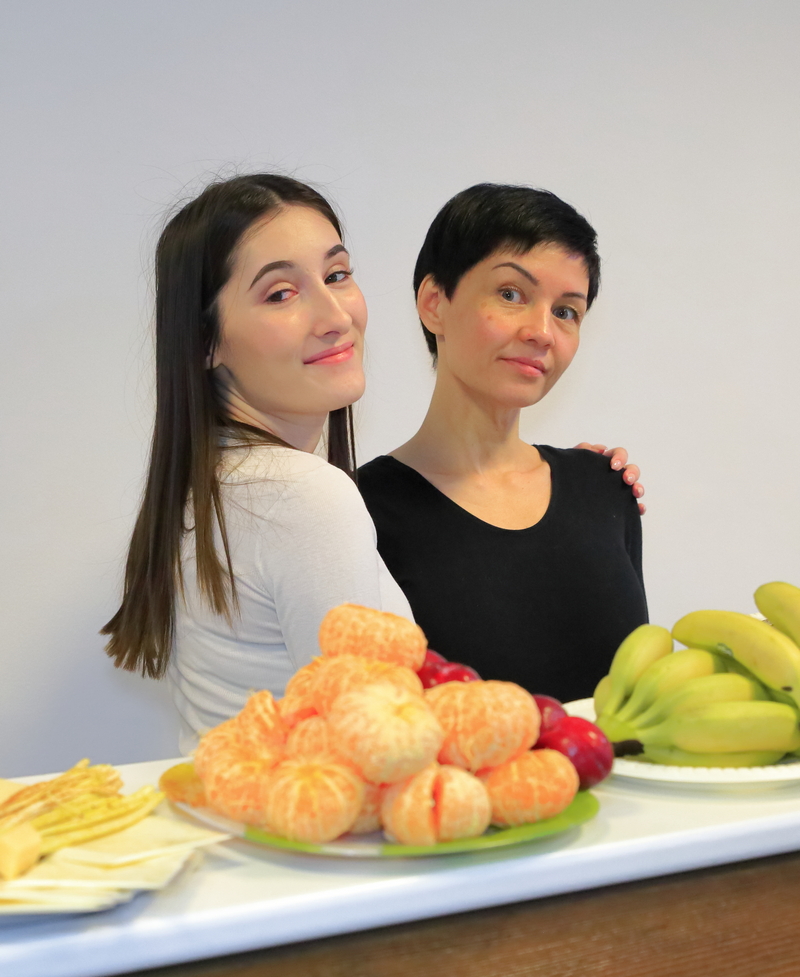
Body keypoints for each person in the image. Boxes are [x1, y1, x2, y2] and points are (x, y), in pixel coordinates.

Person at [103, 173, 642, 753]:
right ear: (205, 339)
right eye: (280, 293)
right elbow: (385, 746)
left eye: (337, 276)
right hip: (317, 809)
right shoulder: (307, 497)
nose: (335, 315)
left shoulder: (225, 488)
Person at [357, 184, 648, 704]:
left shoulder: (604, 489)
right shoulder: (360, 512)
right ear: (434, 303)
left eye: (567, 311)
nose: (542, 332)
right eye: (511, 294)